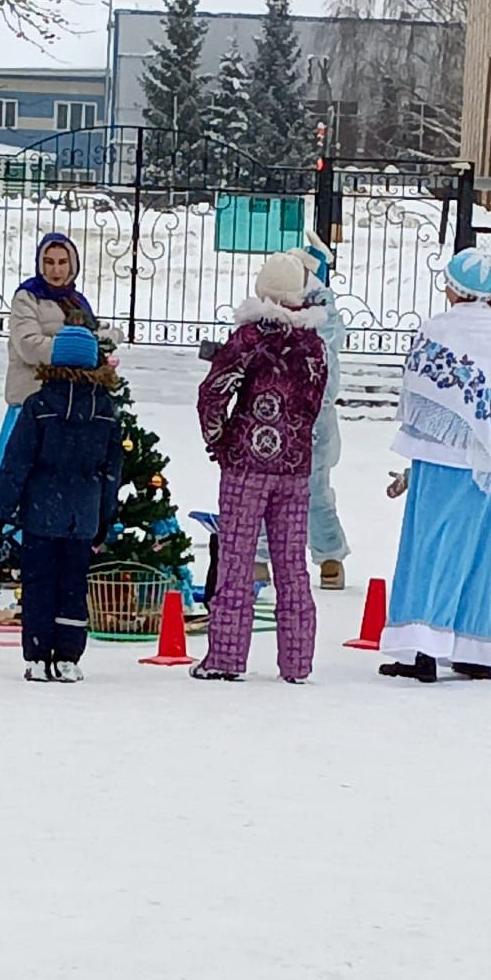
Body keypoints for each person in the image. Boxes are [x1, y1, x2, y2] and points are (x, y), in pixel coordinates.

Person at [379, 248, 491, 683]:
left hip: (441, 457)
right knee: (481, 553)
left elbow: (418, 389)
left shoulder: (437, 332)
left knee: (430, 549)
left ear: (453, 289)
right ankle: (475, 649)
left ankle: (420, 646)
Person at [192, 252, 326, 684]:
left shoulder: (248, 339)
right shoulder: (314, 345)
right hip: (295, 466)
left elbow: (214, 392)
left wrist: (219, 440)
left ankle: (226, 657)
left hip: (245, 465)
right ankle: (297, 661)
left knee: (236, 560)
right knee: (291, 564)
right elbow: (314, 404)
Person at [0, 325, 123, 682]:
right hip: (83, 516)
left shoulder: (39, 405)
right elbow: (112, 470)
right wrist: (105, 515)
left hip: (41, 514)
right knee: (73, 586)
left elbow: (17, 462)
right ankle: (68, 656)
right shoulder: (106, 410)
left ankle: (36, 654)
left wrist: (1, 511)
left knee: (39, 583)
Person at [0, 232, 96, 564]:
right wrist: (74, 350)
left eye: (63, 262)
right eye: (49, 262)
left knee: (52, 482)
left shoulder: (78, 302)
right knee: (15, 475)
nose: (56, 270)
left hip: (66, 407)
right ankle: (4, 549)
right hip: (29, 403)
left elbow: (98, 335)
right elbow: (28, 344)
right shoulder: (27, 298)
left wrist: (102, 342)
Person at [293, 232, 351, 589]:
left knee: (315, 489)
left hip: (314, 421)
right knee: (268, 488)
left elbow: (326, 375)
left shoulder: (323, 317)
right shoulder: (272, 306)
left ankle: (330, 554)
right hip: (273, 421)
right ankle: (262, 556)